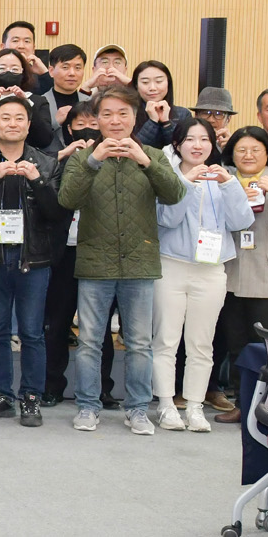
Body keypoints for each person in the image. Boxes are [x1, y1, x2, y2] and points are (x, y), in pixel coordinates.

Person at [58, 85, 186, 435]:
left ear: (135, 117)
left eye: (123, 114)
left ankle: (138, 409)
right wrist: (93, 161)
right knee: (89, 341)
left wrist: (145, 162)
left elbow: (175, 194)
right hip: (94, 263)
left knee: (140, 343)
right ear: (97, 119)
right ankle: (87, 406)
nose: (115, 121)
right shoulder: (83, 157)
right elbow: (67, 200)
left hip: (139, 262)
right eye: (107, 114)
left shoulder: (153, 155)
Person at [0, 96, 67, 428]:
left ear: (28, 125)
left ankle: (31, 398)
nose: (12, 123)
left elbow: (57, 213)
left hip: (33, 258)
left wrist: (37, 180)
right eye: (5, 118)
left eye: (19, 118)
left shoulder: (48, 163)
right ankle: (0, 395)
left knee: (32, 333)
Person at [149, 118, 252, 433]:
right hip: (171, 266)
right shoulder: (169, 175)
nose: (198, 145)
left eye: (204, 139)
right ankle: (166, 404)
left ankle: (195, 406)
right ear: (177, 144)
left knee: (201, 343)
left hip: (211, 271)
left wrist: (229, 184)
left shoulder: (224, 177)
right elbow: (167, 218)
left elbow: (241, 221)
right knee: (166, 340)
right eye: (190, 139)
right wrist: (186, 184)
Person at [216, 126, 268, 423]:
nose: (248, 155)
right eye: (241, 150)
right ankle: (242, 404)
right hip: (232, 274)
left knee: (267, 348)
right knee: (236, 345)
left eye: (256, 149)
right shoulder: (224, 182)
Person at [42, 100, 103, 406]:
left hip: (99, 251)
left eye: (94, 124)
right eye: (80, 125)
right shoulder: (59, 157)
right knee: (57, 322)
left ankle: (102, 388)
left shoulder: (112, 157)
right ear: (68, 130)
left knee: (96, 326)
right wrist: (65, 157)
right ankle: (52, 385)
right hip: (63, 252)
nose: (87, 130)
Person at [130, 60, 190, 148]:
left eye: (159, 81)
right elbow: (133, 148)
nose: (152, 88)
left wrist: (166, 123)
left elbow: (183, 148)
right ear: (136, 85)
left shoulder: (183, 114)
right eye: (145, 82)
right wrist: (152, 122)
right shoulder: (129, 113)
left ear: (168, 83)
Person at [41, 44, 87, 133]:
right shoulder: (40, 104)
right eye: (65, 67)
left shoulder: (91, 102)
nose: (72, 73)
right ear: (51, 71)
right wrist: (55, 122)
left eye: (78, 68)